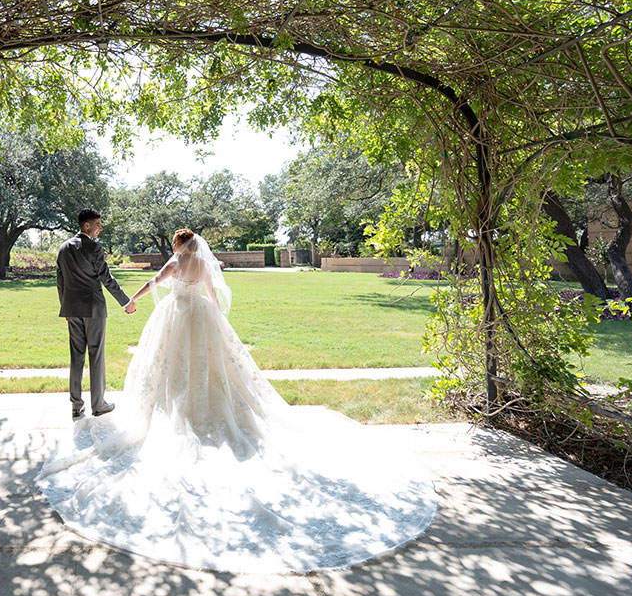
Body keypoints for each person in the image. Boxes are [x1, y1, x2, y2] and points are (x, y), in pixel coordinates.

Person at [37, 228, 439, 574]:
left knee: (169, 368)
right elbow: (214, 294)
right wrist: (211, 313)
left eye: (177, 245)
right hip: (201, 317)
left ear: (180, 246)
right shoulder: (202, 265)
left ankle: (159, 405)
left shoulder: (175, 264)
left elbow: (153, 284)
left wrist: (132, 300)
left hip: (175, 316)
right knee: (209, 367)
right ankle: (206, 403)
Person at [56, 208, 136, 421]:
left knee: (76, 357)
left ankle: (76, 406)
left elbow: (60, 281)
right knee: (96, 355)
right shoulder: (94, 248)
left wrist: (64, 307)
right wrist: (126, 302)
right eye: (98, 224)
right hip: (93, 308)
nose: (100, 228)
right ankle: (98, 405)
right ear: (86, 225)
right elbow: (107, 279)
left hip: (72, 310)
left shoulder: (63, 248)